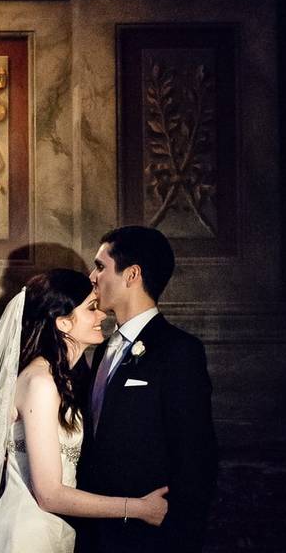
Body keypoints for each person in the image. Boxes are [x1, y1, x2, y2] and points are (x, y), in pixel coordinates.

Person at [0, 269, 169, 553]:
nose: (102, 316)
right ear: (63, 323)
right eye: (91, 309)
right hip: (26, 534)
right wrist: (138, 508)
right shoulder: (40, 382)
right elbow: (49, 495)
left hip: (51, 530)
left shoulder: (62, 379)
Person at [76, 226, 217, 553]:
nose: (92, 277)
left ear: (132, 275)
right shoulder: (102, 349)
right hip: (96, 533)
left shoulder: (178, 350)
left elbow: (196, 456)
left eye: (100, 266)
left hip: (149, 538)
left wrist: (178, 535)